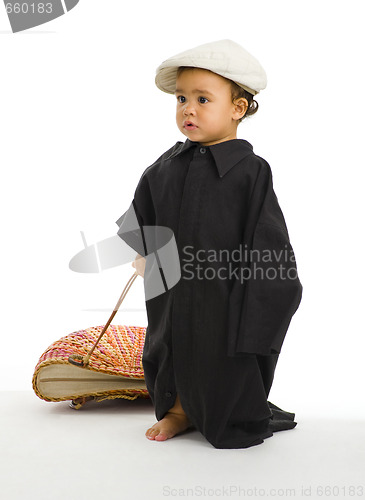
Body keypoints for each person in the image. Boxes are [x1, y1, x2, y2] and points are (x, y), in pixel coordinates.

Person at [115, 39, 303, 449]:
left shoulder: (250, 172)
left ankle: (229, 413)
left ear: (238, 109)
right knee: (172, 343)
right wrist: (143, 250)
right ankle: (178, 410)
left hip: (226, 289)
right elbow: (142, 211)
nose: (188, 109)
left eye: (203, 98)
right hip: (174, 286)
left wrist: (262, 288)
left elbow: (267, 238)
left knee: (222, 353)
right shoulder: (164, 167)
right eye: (181, 98)